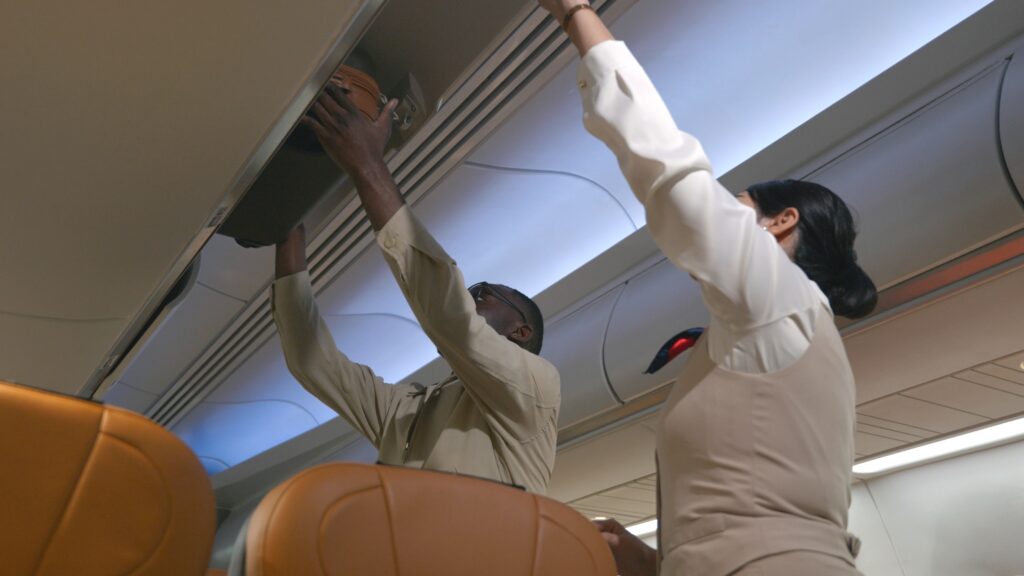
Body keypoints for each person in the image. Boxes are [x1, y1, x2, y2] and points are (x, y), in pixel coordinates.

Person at [538, 1, 877, 574]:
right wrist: (649, 559)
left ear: (781, 221)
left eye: (738, 205)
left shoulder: (780, 297)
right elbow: (754, 521)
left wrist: (575, 14)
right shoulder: (792, 336)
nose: (726, 213)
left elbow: (675, 180)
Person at [271, 82, 560, 494]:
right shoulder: (411, 412)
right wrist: (287, 234)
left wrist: (368, 165)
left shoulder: (536, 388)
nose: (471, 298)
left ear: (521, 331)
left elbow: (451, 318)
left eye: (482, 293)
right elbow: (311, 360)